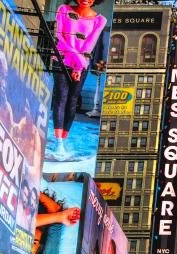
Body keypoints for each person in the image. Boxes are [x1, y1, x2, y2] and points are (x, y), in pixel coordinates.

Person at [50, 0, 108, 161]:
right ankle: (58, 142)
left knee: (72, 100)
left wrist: (79, 67)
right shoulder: (64, 9)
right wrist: (78, 59)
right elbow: (59, 38)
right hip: (61, 60)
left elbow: (89, 45)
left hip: (81, 65)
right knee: (61, 97)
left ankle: (64, 139)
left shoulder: (100, 20)